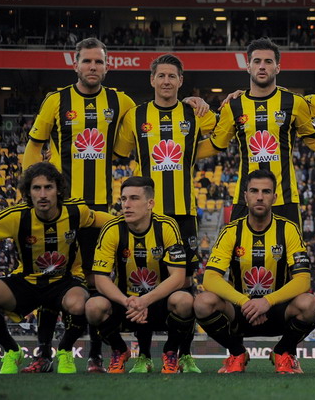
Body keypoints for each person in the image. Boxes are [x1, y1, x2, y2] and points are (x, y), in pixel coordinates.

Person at [22, 37, 136, 373]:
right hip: (61, 209)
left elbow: (155, 111)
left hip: (99, 210)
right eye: (87, 61)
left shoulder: (120, 100)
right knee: (51, 279)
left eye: (99, 62)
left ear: (107, 66)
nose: (93, 68)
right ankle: (43, 354)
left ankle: (96, 356)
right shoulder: (56, 100)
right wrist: (31, 192)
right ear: (75, 65)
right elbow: (34, 145)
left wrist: (189, 100)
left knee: (93, 281)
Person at [113, 54, 216, 373]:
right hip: (144, 216)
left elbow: (223, 135)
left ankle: (180, 353)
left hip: (183, 214)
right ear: (152, 80)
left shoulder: (194, 112)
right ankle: (142, 355)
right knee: (139, 282)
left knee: (184, 286)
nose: (167, 81)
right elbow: (118, 151)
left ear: (181, 81)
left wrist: (210, 103)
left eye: (173, 76)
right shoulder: (136, 115)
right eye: (162, 76)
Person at [0, 162, 112, 374]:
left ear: (58, 190)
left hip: (65, 281)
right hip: (27, 281)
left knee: (79, 304)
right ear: (27, 192)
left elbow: (101, 220)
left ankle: (65, 351)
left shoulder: (75, 211)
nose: (42, 194)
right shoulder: (17, 216)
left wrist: (129, 224)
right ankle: (13, 351)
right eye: (36, 188)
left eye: (48, 187)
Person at [198, 38, 315, 226]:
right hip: (245, 199)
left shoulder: (294, 102)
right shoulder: (233, 106)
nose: (262, 66)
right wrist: (183, 153)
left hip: (285, 199)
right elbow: (216, 144)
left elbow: (314, 140)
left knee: (290, 256)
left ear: (277, 67)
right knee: (240, 255)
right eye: (257, 61)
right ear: (248, 66)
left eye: (268, 62)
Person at [194, 169, 315, 374]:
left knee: (311, 304)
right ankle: (236, 353)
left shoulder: (288, 229)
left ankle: (283, 351)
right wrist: (245, 301)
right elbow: (210, 278)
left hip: (277, 310)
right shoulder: (231, 231)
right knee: (202, 302)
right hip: (241, 311)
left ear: (274, 197)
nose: (260, 196)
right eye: (254, 191)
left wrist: (267, 301)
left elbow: (303, 280)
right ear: (245, 196)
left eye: (266, 192)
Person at [86, 176, 195, 374]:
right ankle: (119, 350)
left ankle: (170, 353)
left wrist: (145, 300)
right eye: (123, 199)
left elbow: (178, 277)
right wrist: (128, 302)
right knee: (93, 306)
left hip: (159, 301)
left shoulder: (167, 226)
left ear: (150, 203)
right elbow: (100, 279)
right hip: (125, 303)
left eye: (134, 198)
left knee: (185, 301)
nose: (126, 205)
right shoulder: (111, 229)